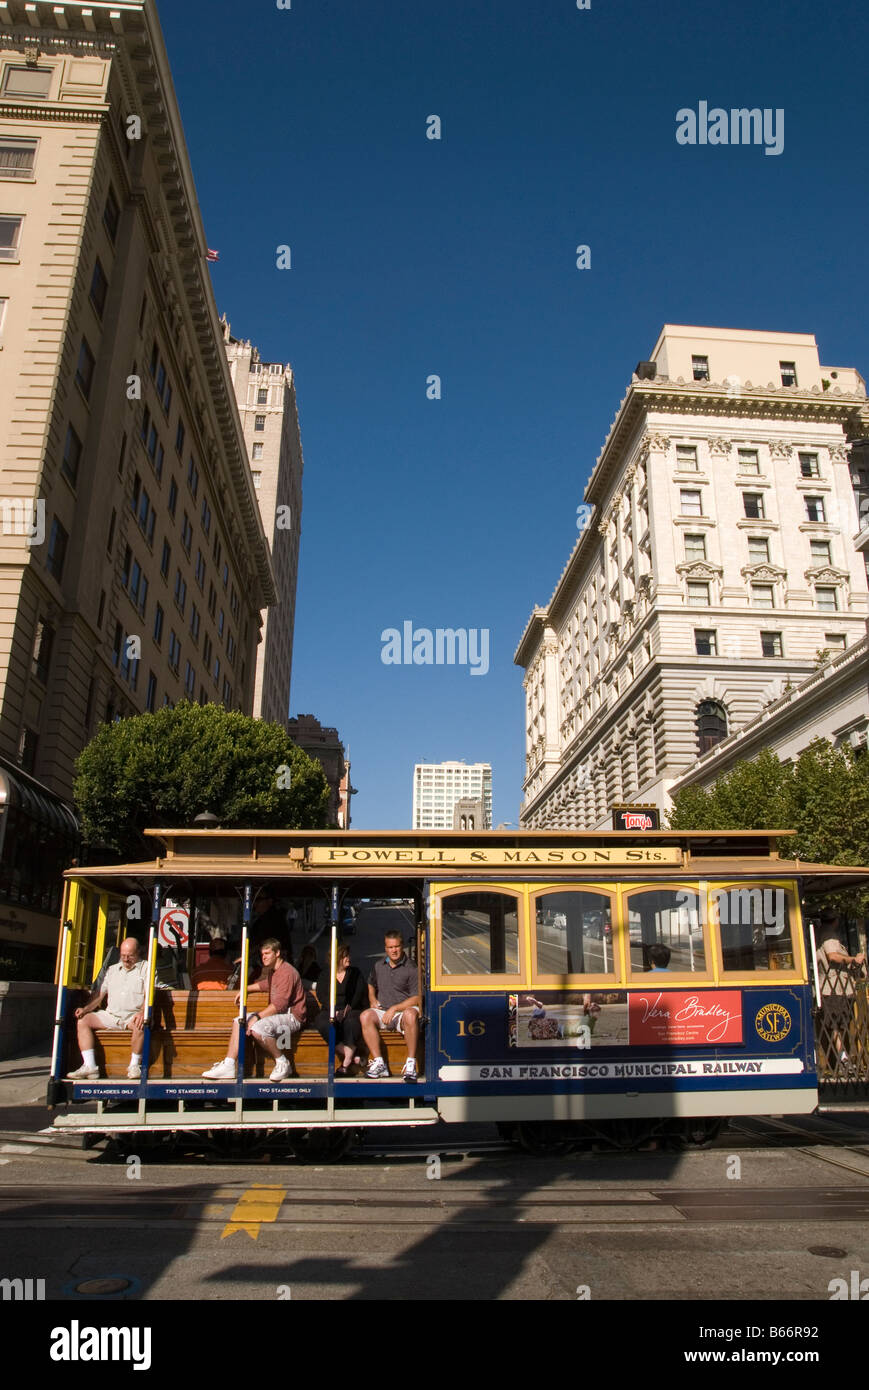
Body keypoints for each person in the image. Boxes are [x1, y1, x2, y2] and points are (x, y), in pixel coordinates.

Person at [202, 938, 305, 1082]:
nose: (264, 957)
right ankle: (229, 1065)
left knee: (258, 1027)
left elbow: (280, 1005)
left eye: (268, 953)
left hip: (292, 1017)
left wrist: (257, 1017)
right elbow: (265, 985)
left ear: (277, 953)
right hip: (279, 1015)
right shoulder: (274, 971)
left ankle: (282, 1062)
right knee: (239, 1021)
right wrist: (246, 989)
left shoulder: (287, 972)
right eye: (262, 954)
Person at [67, 936, 160, 1081]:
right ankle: (90, 1066)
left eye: (130, 956)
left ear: (138, 953)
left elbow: (149, 995)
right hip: (111, 1016)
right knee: (83, 1021)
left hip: (132, 1016)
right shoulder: (112, 970)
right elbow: (99, 995)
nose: (126, 959)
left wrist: (143, 1011)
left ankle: (134, 1065)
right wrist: (85, 1009)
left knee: (142, 1023)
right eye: (123, 955)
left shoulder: (147, 968)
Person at [361, 930, 420, 1081]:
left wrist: (395, 1009)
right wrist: (372, 998)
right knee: (365, 1015)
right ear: (385, 948)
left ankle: (411, 1064)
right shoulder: (378, 965)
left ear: (402, 946)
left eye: (397, 946)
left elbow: (417, 998)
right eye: (390, 947)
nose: (394, 950)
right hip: (383, 1011)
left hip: (402, 1012)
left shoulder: (412, 968)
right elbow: (370, 983)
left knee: (411, 1015)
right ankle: (380, 1064)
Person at [816, 912, 865, 1067]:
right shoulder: (829, 935)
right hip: (834, 987)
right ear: (835, 921)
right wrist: (853, 959)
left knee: (839, 1023)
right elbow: (833, 956)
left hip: (835, 986)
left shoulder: (822, 934)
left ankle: (842, 1055)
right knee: (838, 1023)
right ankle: (842, 1057)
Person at [311, 942, 367, 1074]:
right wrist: (333, 1009)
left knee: (351, 1022)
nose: (348, 958)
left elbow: (358, 993)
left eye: (348, 955)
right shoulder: (326, 975)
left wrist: (348, 1008)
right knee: (323, 1022)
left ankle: (345, 1064)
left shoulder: (355, 973)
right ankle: (352, 1055)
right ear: (337, 959)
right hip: (331, 1009)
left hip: (351, 1008)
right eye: (345, 956)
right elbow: (321, 994)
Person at [250, 885, 292, 960]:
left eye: (258, 899)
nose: (255, 903)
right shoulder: (261, 920)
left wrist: (247, 954)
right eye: (253, 899)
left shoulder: (273, 919)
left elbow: (262, 943)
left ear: (270, 901)